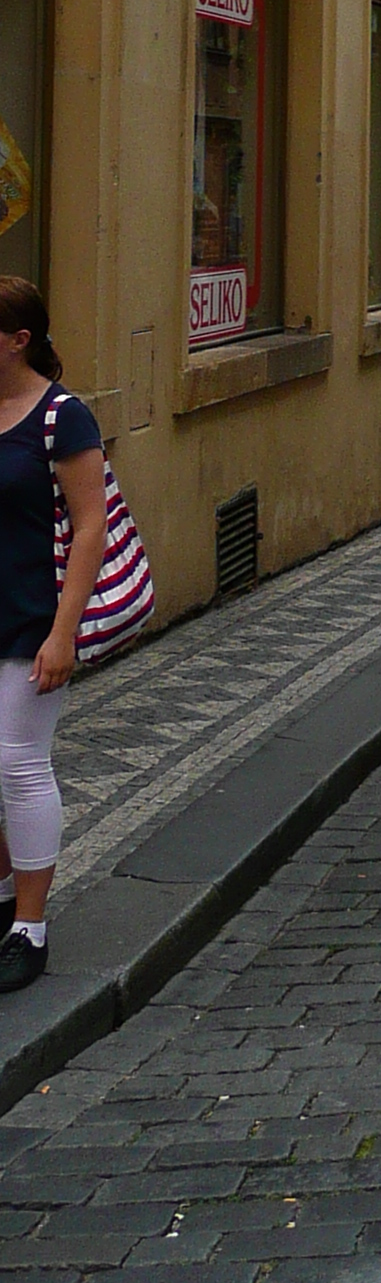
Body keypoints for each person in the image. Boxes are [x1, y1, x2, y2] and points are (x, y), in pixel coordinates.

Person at [0, 276, 110, 995]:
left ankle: (30, 928)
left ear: (19, 341)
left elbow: (91, 524)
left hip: (31, 618)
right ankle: (4, 895)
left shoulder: (62, 418)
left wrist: (63, 633)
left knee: (18, 764)